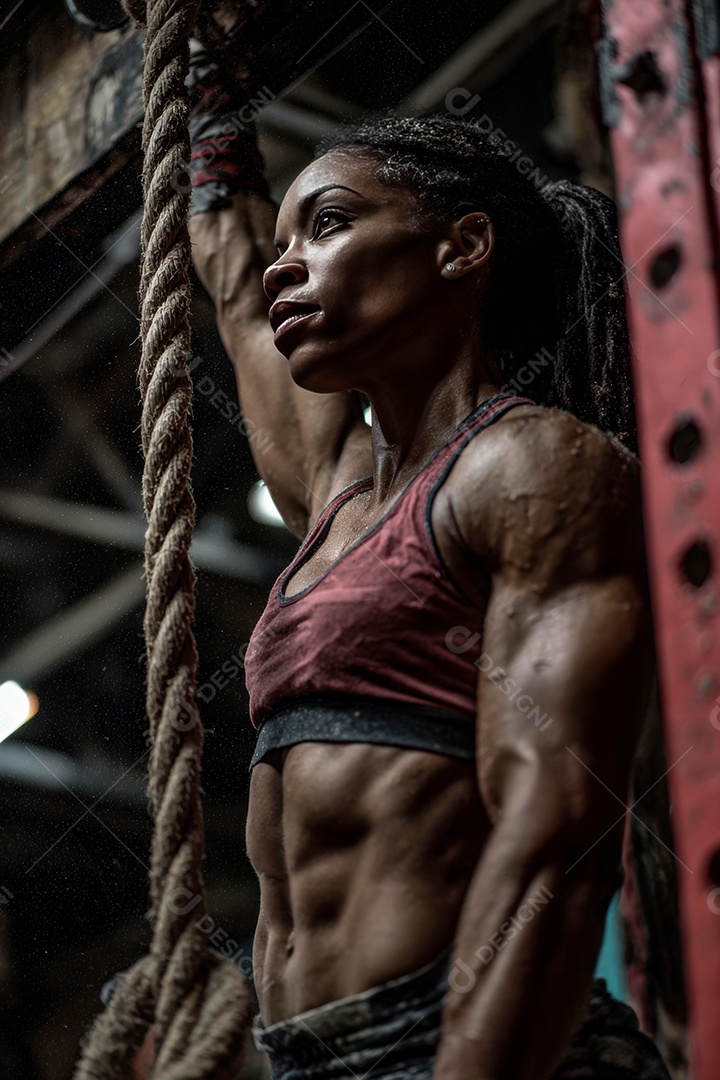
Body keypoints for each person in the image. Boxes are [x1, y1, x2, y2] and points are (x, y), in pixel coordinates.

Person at [185, 41, 673, 1080]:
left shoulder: (531, 467)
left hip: (474, 1040)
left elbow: (554, 840)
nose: (285, 265)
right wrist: (205, 81)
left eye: (329, 224)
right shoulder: (338, 497)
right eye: (285, 239)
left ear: (463, 246)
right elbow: (236, 293)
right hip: (312, 1055)